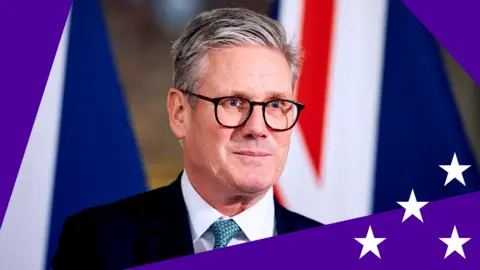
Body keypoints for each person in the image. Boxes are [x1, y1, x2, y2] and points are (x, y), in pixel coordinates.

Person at [51, 7, 323, 270]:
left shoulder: (332, 252)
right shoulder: (99, 243)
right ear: (180, 113)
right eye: (233, 102)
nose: (258, 127)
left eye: (276, 105)